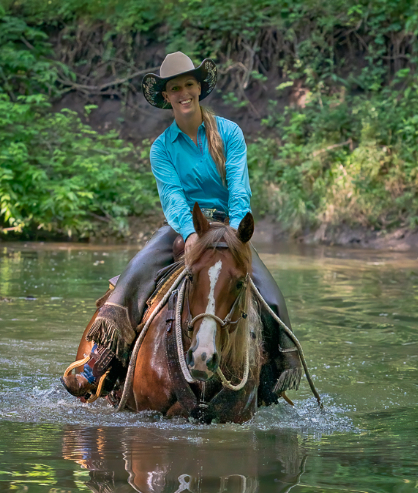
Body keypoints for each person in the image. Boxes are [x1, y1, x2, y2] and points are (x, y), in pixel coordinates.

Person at [63, 52, 301, 404]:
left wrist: (233, 234)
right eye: (175, 88)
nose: (183, 92)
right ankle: (97, 365)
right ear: (167, 96)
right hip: (181, 227)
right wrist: (191, 234)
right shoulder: (161, 147)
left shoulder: (229, 133)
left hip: (228, 228)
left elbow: (240, 190)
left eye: (189, 85)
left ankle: (274, 376)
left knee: (271, 298)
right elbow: (172, 197)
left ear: (199, 89)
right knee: (133, 278)